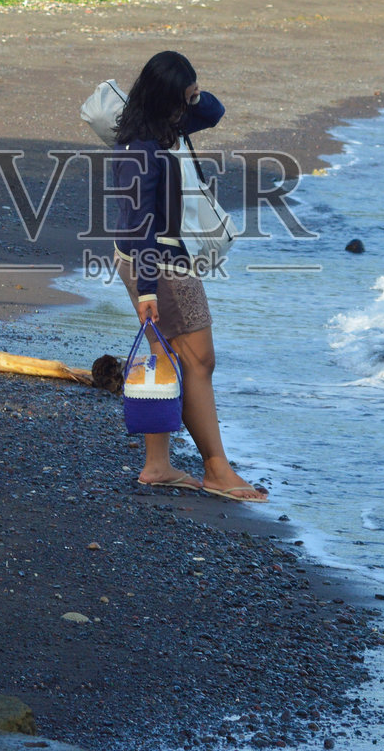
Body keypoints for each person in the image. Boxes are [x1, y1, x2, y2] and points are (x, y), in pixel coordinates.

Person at [113, 51, 266, 503]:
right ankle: (217, 469)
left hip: (149, 260)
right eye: (183, 99)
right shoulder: (143, 148)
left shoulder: (160, 127)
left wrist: (194, 93)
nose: (190, 107)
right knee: (199, 362)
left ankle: (158, 466)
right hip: (159, 266)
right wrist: (146, 290)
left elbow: (214, 113)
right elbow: (140, 222)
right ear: (165, 101)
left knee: (168, 360)